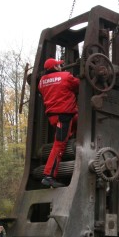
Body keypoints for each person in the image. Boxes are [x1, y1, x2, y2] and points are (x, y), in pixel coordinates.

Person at [38, 58, 80, 188]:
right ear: (55, 68)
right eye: (59, 65)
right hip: (64, 116)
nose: (61, 67)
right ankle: (48, 175)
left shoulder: (42, 82)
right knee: (59, 145)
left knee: (80, 119)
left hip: (54, 117)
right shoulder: (66, 77)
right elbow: (80, 85)